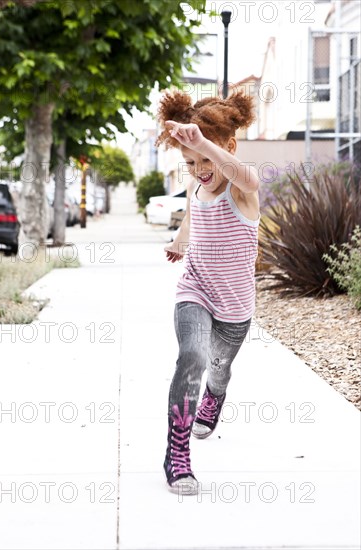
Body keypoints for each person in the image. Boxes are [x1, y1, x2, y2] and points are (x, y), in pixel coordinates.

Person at [155, 88, 261, 495]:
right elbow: (191, 217)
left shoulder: (241, 190)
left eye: (206, 158)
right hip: (195, 290)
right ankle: (176, 453)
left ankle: (215, 396)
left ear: (228, 148)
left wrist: (202, 143)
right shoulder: (197, 187)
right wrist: (179, 244)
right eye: (190, 162)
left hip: (235, 306)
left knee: (218, 369)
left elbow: (246, 175)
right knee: (193, 356)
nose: (199, 168)